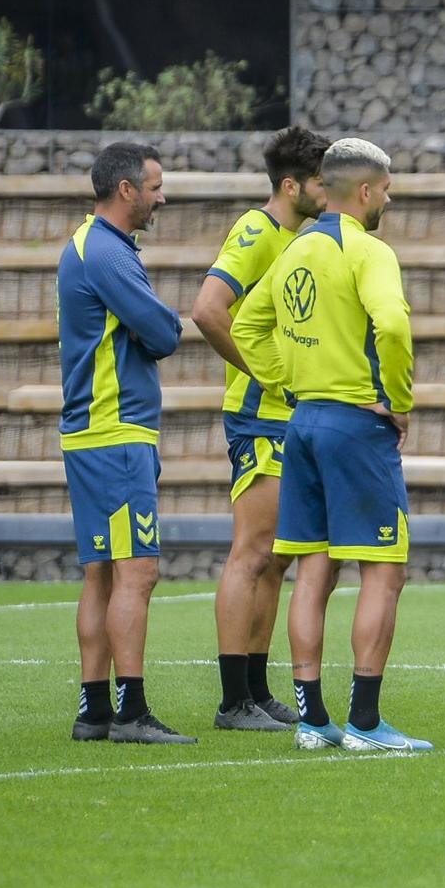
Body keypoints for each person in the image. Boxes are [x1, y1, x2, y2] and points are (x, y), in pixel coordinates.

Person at [232, 137, 428, 753]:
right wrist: (397, 400)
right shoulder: (368, 250)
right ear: (365, 192)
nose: (389, 201)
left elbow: (244, 324)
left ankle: (313, 722)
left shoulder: (292, 251)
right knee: (384, 571)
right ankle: (365, 723)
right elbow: (392, 324)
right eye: (387, 190)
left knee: (313, 568)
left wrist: (288, 381)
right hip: (354, 426)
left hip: (304, 423)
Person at [190, 126, 331, 732]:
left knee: (274, 559)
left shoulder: (297, 239)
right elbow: (207, 309)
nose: (330, 192)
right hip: (258, 417)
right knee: (251, 553)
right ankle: (231, 701)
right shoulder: (256, 231)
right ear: (292, 184)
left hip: (286, 417)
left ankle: (254, 687)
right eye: (322, 181)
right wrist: (266, 374)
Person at [60, 141, 193, 744]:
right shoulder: (108, 254)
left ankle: (94, 712)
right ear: (126, 190)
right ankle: (131, 712)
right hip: (115, 434)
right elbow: (164, 330)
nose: (162, 197)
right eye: (156, 186)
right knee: (137, 573)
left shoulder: (90, 244)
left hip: (94, 432)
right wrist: (160, 328)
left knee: (102, 576)